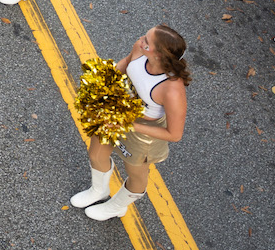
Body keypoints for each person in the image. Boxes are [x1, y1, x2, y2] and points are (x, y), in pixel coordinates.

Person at [70, 26, 190, 221]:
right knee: (96, 153)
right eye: (145, 36)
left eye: (147, 41)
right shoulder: (140, 50)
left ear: (159, 54)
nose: (141, 40)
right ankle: (98, 190)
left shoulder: (172, 90)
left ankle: (117, 207)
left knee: (136, 174)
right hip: (118, 111)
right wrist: (101, 83)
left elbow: (175, 134)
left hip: (144, 133)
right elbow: (125, 64)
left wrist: (129, 126)